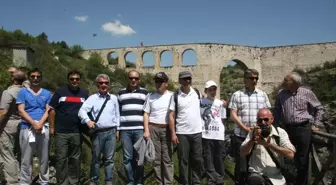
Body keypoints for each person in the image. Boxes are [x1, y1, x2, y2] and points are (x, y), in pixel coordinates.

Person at [274, 72, 324, 185]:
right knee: (287, 157)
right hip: (286, 129)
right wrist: (275, 126)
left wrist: (316, 124)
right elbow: (277, 110)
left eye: (286, 79)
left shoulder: (307, 93)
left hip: (303, 129)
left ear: (294, 82)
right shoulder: (281, 93)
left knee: (303, 159)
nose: (283, 81)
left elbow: (319, 108)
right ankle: (287, 182)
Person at [228, 69, 271, 185]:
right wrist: (244, 128)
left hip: (258, 138)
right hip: (241, 136)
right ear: (245, 79)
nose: (255, 80)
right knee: (241, 168)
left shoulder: (262, 95)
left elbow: (268, 113)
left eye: (256, 78)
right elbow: (233, 114)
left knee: (258, 168)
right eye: (252, 78)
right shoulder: (237, 95)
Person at [78, 74, 120, 185]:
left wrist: (118, 130)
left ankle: (108, 181)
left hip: (111, 131)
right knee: (95, 158)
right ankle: (94, 181)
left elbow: (117, 115)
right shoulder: (92, 98)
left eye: (106, 83)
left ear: (109, 85)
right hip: (98, 132)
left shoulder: (114, 98)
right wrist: (88, 121)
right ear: (97, 85)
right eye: (101, 83)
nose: (104, 85)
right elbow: (81, 111)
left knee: (109, 159)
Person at [49, 70, 89, 185]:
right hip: (61, 132)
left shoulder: (84, 94)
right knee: (61, 159)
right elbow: (52, 110)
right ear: (68, 80)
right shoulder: (60, 92)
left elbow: (88, 111)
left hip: (77, 132)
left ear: (80, 80)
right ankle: (62, 182)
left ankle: (73, 182)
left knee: (75, 160)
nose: (74, 81)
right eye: (72, 79)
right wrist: (52, 128)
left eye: (77, 79)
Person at [240, 108, 295, 185]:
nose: (263, 123)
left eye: (266, 119)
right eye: (260, 120)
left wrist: (269, 145)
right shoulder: (253, 133)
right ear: (257, 121)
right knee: (255, 181)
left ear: (272, 119)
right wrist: (252, 140)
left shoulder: (280, 132)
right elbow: (242, 152)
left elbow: (290, 154)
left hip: (277, 178)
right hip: (256, 175)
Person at [16, 68, 52, 185]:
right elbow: (21, 110)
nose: (35, 79)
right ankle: (25, 182)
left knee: (44, 157)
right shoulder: (22, 93)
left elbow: (48, 110)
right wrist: (33, 123)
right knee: (26, 158)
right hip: (27, 127)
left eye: (37, 76)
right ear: (29, 78)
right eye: (33, 76)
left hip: (43, 127)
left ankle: (44, 181)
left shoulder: (47, 93)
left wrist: (40, 123)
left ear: (41, 78)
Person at [168, 71, 203, 185]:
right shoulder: (175, 96)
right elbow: (171, 116)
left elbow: (205, 105)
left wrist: (221, 103)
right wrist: (173, 133)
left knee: (197, 159)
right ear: (180, 81)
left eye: (189, 78)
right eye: (184, 79)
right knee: (183, 161)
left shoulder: (197, 93)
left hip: (197, 132)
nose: (187, 81)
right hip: (182, 133)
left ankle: (196, 182)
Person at [117, 70, 148, 185]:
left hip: (140, 129)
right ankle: (131, 181)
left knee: (140, 158)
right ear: (128, 79)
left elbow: (147, 111)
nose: (133, 80)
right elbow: (117, 112)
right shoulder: (121, 93)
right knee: (127, 158)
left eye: (135, 78)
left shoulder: (145, 93)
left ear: (139, 80)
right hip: (125, 130)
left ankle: (139, 182)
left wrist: (146, 129)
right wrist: (118, 129)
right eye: (131, 78)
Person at [143, 72, 174, 185]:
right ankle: (159, 183)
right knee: (156, 159)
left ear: (166, 83)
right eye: (156, 81)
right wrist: (146, 130)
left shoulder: (172, 95)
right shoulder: (150, 96)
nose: (158, 84)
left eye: (160, 81)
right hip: (153, 128)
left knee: (167, 159)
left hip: (166, 129)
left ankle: (168, 183)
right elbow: (146, 114)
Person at [0, 70, 26, 185]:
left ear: (12, 79)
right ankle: (21, 177)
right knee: (21, 152)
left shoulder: (8, 92)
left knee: (7, 153)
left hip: (9, 124)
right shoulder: (27, 91)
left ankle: (12, 181)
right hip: (24, 124)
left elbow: (3, 113)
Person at [201, 80, 227, 185]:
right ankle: (212, 181)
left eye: (214, 89)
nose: (212, 92)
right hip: (206, 134)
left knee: (219, 158)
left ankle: (220, 180)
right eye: (210, 90)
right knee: (208, 158)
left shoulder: (220, 103)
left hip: (218, 135)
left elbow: (223, 118)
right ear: (206, 91)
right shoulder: (201, 102)